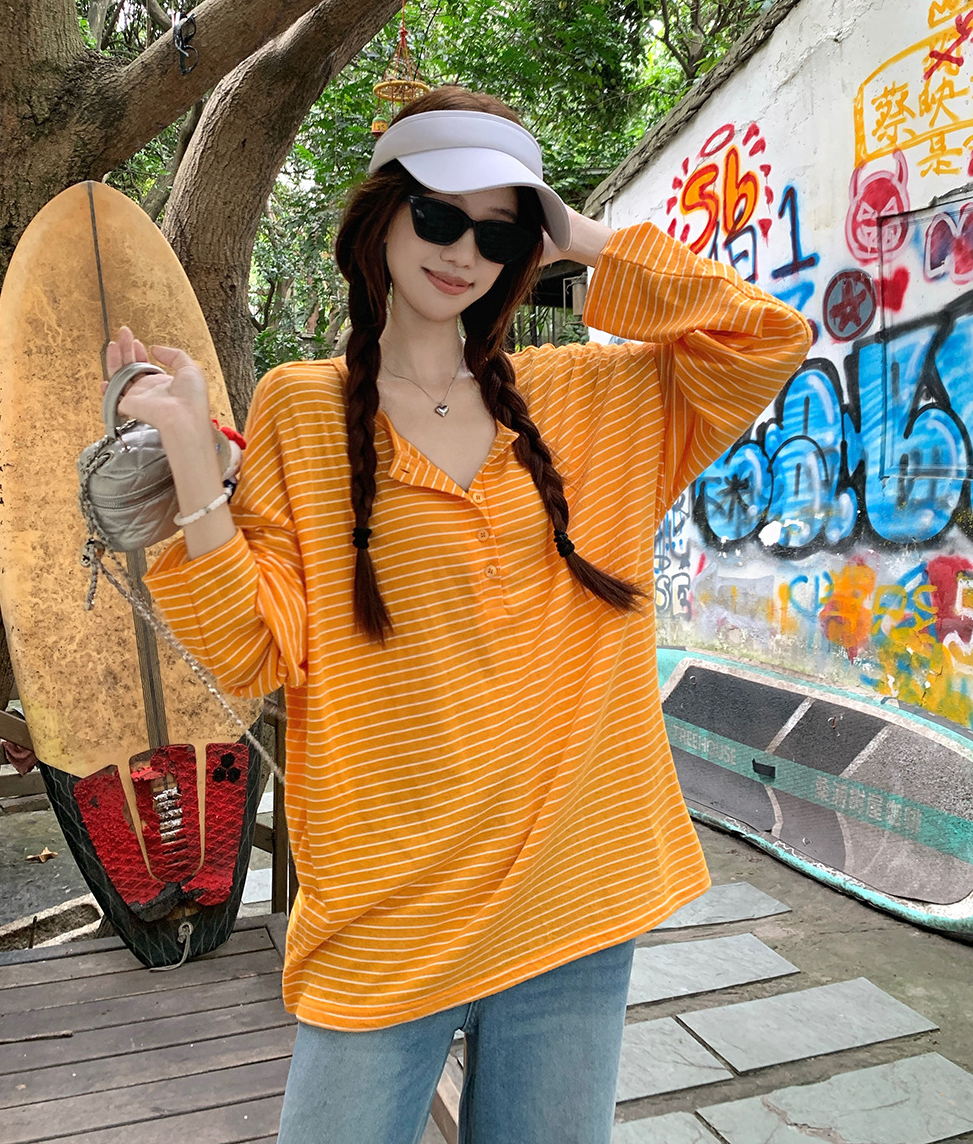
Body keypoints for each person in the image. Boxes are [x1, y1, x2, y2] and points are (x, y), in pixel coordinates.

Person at [107, 86, 810, 1144]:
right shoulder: (303, 405)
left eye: (499, 232)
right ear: (382, 214)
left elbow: (766, 334)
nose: (463, 252)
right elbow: (250, 651)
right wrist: (191, 455)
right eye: (439, 215)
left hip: (574, 891)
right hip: (387, 912)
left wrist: (573, 234)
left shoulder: (593, 400)